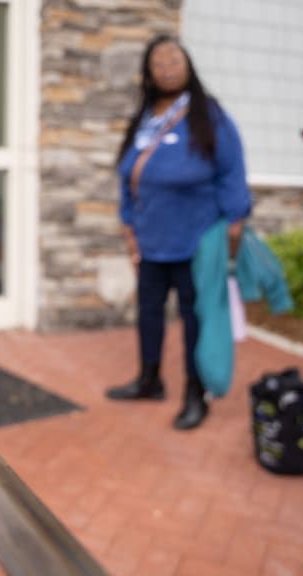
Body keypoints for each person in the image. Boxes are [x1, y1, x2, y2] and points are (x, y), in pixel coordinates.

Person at [105, 36, 252, 430]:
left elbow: (231, 172)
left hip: (197, 242)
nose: (167, 66)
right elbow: (127, 176)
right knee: (149, 312)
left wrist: (236, 222)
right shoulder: (145, 118)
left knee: (194, 320)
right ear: (149, 73)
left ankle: (194, 393)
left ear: (188, 65)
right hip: (151, 241)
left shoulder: (210, 116)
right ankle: (149, 379)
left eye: (175, 59)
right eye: (159, 61)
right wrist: (128, 225)